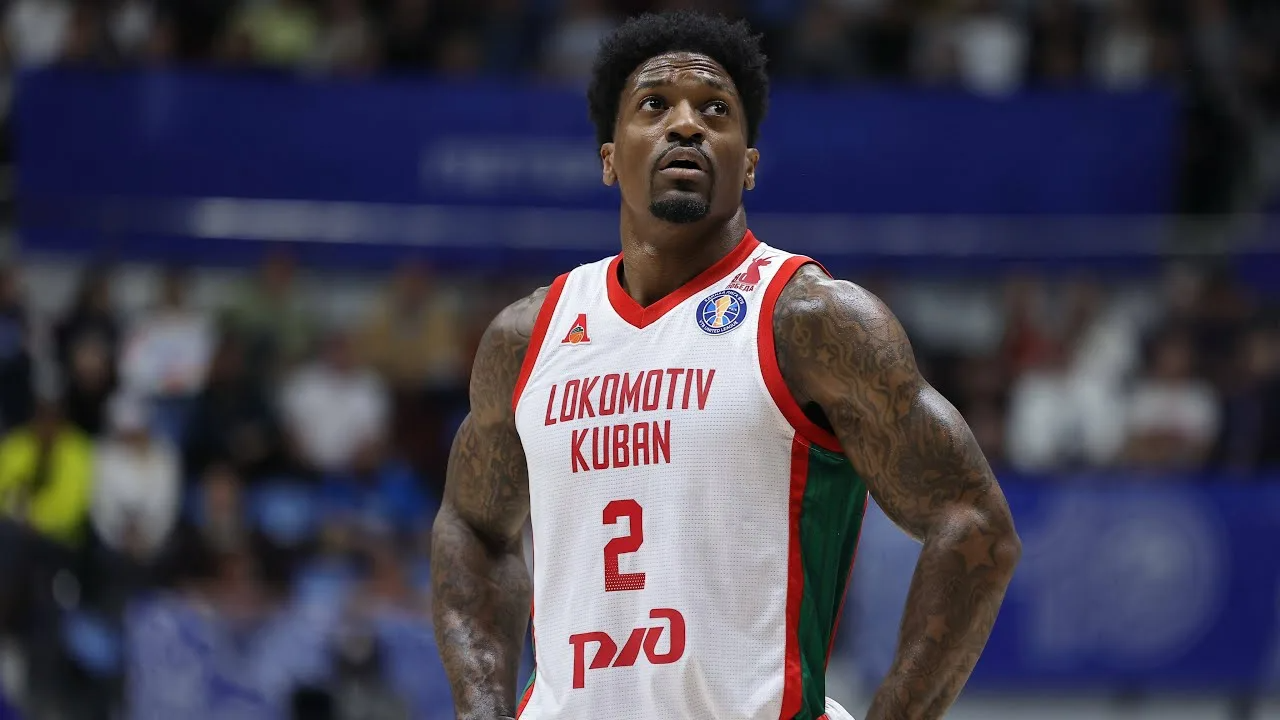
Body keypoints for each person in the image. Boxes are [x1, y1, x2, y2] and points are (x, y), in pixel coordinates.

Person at [431, 11, 1021, 720]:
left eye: (715, 110)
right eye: (655, 105)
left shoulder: (810, 321)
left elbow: (975, 523)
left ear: (748, 164)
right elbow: (471, 528)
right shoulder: (528, 338)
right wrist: (482, 710)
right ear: (610, 158)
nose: (686, 125)